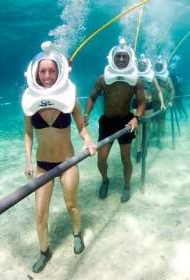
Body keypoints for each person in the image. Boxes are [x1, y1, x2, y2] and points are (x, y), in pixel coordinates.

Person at [22, 41, 95, 273]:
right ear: (35, 72)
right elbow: (27, 134)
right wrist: (28, 160)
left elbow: (82, 128)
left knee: (71, 205)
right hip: (43, 165)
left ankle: (76, 234)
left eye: (51, 70)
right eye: (42, 71)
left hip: (67, 162)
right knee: (40, 214)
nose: (46, 75)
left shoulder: (70, 98)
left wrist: (89, 141)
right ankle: (44, 251)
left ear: (59, 72)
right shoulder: (29, 101)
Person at [84, 38, 145, 203]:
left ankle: (126, 186)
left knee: (126, 158)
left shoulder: (137, 79)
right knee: (101, 159)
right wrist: (86, 114)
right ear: (112, 57)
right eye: (118, 56)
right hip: (107, 122)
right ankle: (105, 180)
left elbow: (142, 103)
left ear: (130, 58)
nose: (121, 59)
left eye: (124, 56)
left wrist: (136, 118)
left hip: (126, 121)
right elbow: (92, 97)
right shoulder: (103, 78)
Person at [134, 54, 165, 162]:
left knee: (146, 128)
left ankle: (144, 148)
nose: (142, 66)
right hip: (136, 104)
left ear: (146, 64)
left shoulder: (151, 76)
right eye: (140, 64)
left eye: (143, 64)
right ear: (137, 64)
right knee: (138, 129)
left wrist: (162, 103)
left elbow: (158, 90)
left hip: (149, 104)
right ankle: (138, 150)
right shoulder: (133, 75)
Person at [154, 55, 175, 148]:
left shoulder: (167, 78)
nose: (158, 68)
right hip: (152, 103)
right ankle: (154, 134)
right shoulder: (151, 76)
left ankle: (158, 140)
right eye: (157, 66)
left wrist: (171, 100)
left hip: (163, 104)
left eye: (160, 66)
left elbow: (172, 90)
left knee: (161, 121)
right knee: (151, 121)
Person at [169, 55, 188, 120]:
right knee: (178, 105)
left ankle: (185, 116)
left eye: (170, 69)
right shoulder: (173, 75)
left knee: (180, 105)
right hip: (177, 92)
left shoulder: (173, 76)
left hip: (178, 92)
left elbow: (176, 85)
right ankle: (182, 116)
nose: (169, 70)